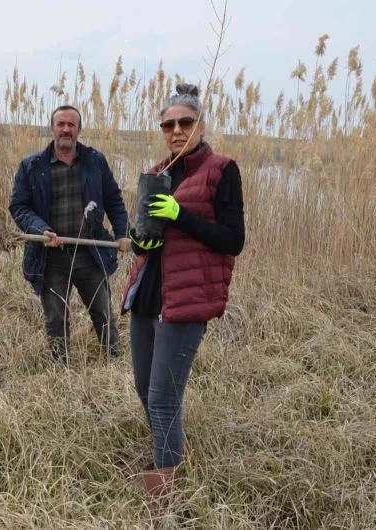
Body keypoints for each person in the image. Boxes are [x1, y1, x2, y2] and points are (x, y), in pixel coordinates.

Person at [121, 84, 245, 512]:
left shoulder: (221, 170)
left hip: (187, 300)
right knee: (144, 389)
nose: (176, 130)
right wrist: (142, 240)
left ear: (200, 125)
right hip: (149, 294)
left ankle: (165, 497)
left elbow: (233, 240)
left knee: (163, 396)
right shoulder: (156, 173)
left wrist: (181, 215)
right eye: (168, 124)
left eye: (185, 123)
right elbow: (142, 242)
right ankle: (173, 452)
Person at [9, 105, 131, 364]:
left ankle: (115, 362)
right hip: (51, 257)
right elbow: (18, 207)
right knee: (55, 317)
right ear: (52, 128)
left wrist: (121, 233)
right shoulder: (32, 165)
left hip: (90, 253)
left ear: (79, 129)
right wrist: (40, 229)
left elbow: (114, 201)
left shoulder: (95, 161)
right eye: (61, 124)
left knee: (103, 312)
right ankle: (59, 369)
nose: (66, 129)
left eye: (71, 124)